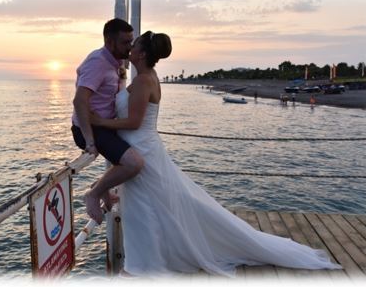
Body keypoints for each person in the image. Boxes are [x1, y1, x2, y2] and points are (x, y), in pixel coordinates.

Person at [89, 31, 341, 277]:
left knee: (142, 208)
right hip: (141, 147)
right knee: (149, 206)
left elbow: (133, 122)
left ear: (142, 54)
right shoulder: (145, 77)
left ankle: (142, 265)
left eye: (134, 46)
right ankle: (148, 259)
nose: (130, 49)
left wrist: (97, 121)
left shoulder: (145, 81)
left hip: (142, 146)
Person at [71, 18, 144, 224]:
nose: (129, 47)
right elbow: (79, 101)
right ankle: (93, 193)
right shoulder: (98, 63)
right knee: (134, 163)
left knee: (137, 155)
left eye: (131, 42)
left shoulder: (116, 62)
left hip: (105, 126)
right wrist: (90, 142)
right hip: (91, 129)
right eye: (125, 42)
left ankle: (103, 192)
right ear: (110, 42)